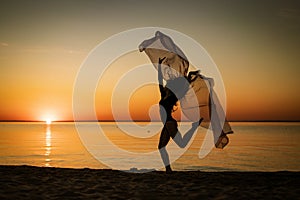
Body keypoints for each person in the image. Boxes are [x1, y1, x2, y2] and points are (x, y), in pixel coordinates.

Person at [157, 57, 202, 173]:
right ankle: (168, 169)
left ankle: (194, 127)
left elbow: (183, 86)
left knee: (181, 144)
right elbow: (159, 82)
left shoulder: (172, 98)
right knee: (161, 148)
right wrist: (159, 67)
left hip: (169, 123)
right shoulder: (163, 95)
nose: (166, 87)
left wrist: (189, 78)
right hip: (166, 124)